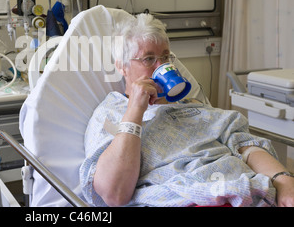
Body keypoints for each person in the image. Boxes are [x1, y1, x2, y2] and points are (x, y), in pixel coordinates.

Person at [79, 13, 294, 207]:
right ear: (122, 66)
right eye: (149, 59)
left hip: (247, 192)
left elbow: (247, 147)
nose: (161, 66)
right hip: (184, 198)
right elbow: (114, 194)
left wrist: (284, 181)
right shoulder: (112, 113)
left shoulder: (193, 106)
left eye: (165, 57)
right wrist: (135, 110)